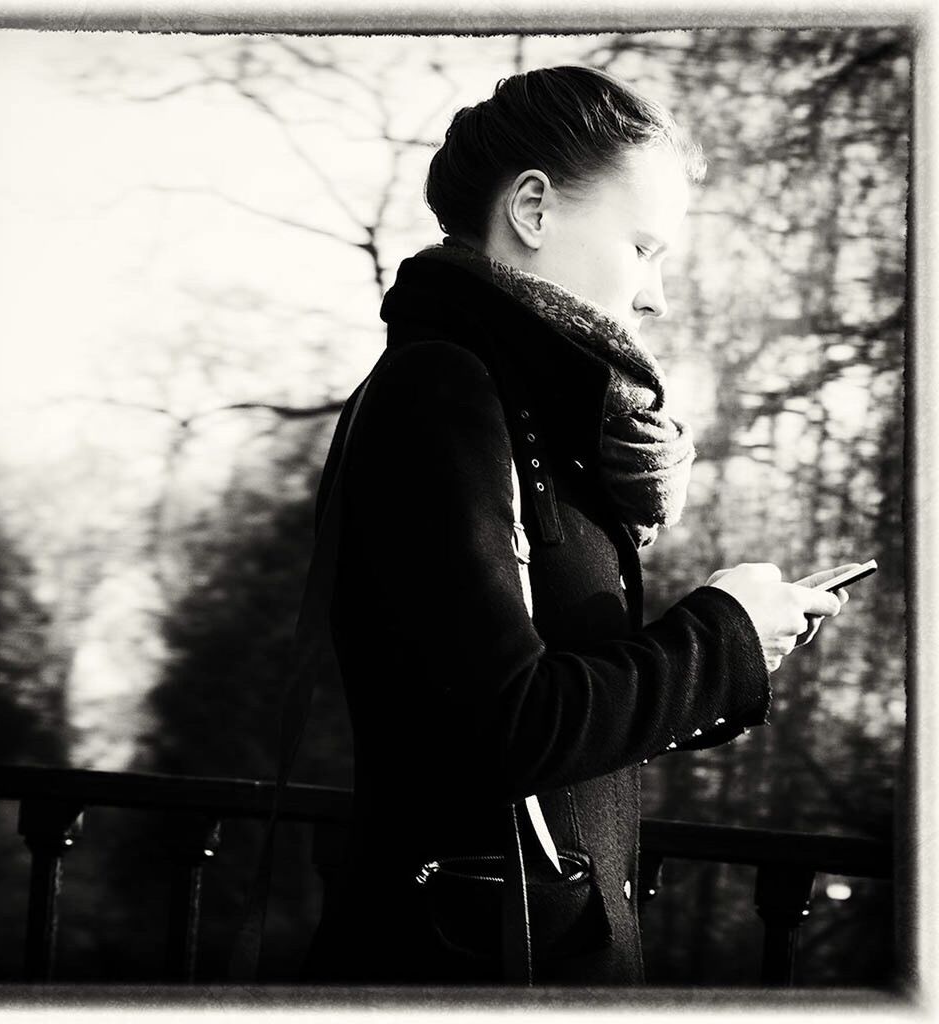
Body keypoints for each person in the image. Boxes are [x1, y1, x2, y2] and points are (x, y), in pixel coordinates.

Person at [299, 65, 850, 986]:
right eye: (643, 247)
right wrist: (718, 638)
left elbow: (560, 719)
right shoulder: (444, 392)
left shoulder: (534, 416)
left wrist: (744, 646)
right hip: (467, 971)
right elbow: (506, 727)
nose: (657, 296)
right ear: (533, 210)